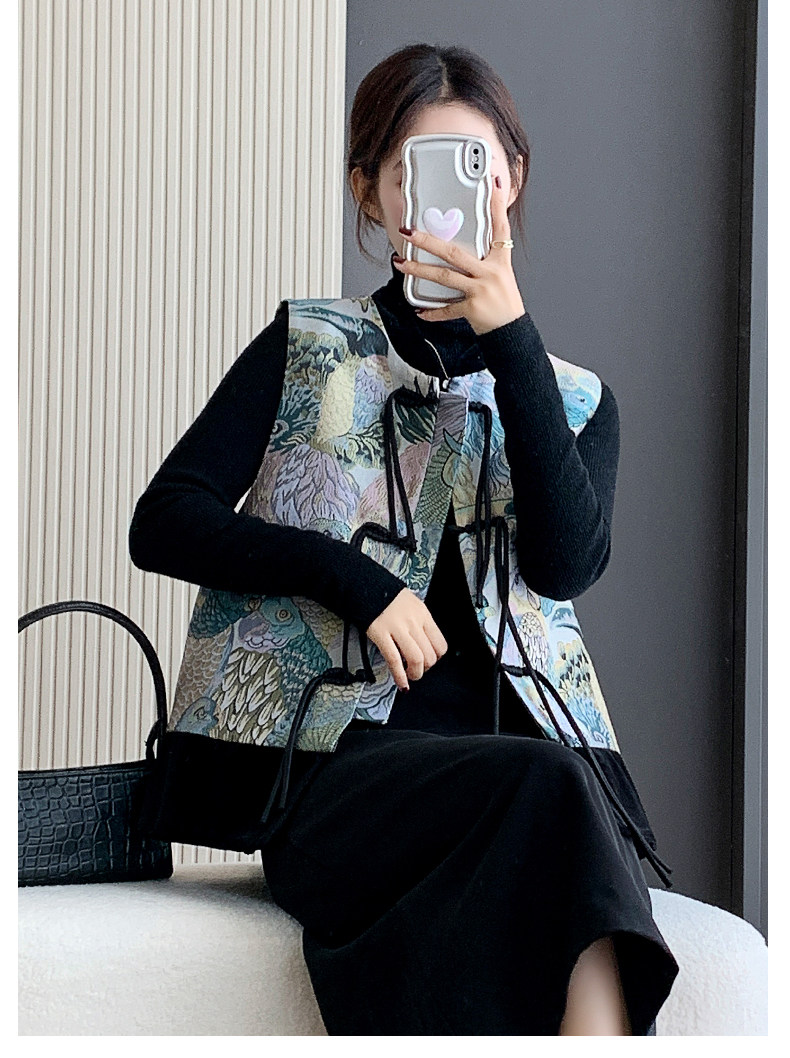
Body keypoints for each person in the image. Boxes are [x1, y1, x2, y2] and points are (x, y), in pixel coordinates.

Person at [129, 43, 680, 1035]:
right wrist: (354, 579)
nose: (450, 205)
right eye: (412, 175)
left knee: (553, 788)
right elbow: (164, 517)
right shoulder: (309, 346)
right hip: (340, 770)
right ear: (372, 196)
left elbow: (564, 564)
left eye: (480, 170)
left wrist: (510, 340)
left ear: (512, 183)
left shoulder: (576, 400)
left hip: (519, 765)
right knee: (549, 792)